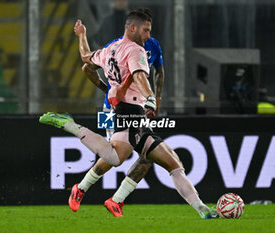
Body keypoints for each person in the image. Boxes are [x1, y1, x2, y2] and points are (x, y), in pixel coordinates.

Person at [40, 8, 217, 219]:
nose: (149, 35)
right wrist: (148, 96)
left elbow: (86, 59)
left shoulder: (113, 48)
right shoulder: (135, 50)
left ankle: (200, 210)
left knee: (165, 161)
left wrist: (82, 36)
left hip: (130, 110)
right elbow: (140, 75)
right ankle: (78, 160)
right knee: (115, 156)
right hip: (119, 110)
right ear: (133, 28)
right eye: (146, 30)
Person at [77, 35, 164, 217]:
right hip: (111, 109)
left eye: (147, 28)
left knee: (147, 156)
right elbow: (87, 67)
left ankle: (116, 200)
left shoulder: (153, 45)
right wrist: (106, 89)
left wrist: (157, 98)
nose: (145, 32)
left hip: (137, 109)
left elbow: (160, 72)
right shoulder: (116, 46)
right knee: (115, 155)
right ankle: (81, 188)